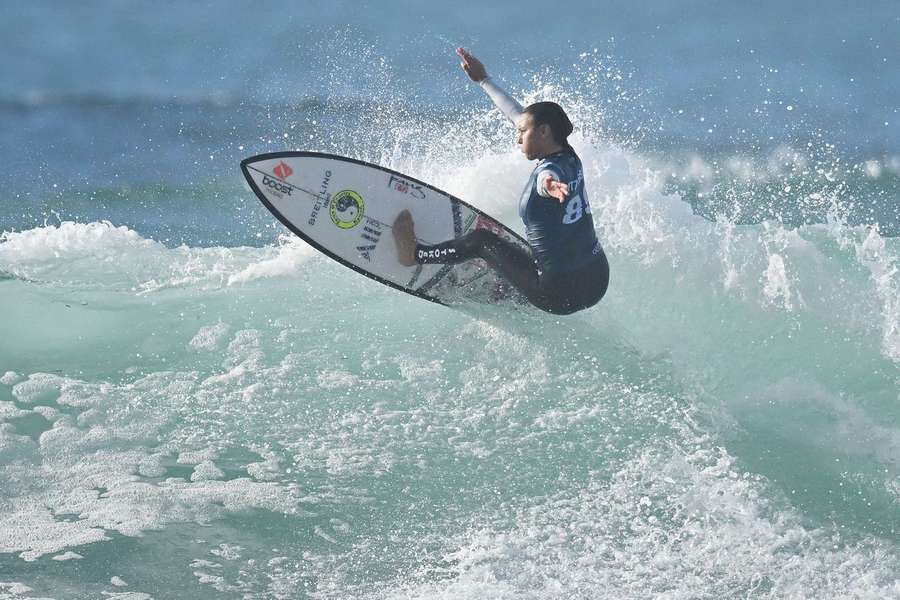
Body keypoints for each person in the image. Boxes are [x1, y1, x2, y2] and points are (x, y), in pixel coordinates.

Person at [393, 48, 609, 315]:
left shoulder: (552, 171)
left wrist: (551, 186)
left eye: (522, 133)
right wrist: (484, 80)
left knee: (481, 241)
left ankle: (413, 254)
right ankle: (519, 284)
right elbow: (517, 115)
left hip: (557, 294)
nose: (518, 139)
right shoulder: (570, 157)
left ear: (543, 132)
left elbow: (546, 178)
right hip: (598, 280)